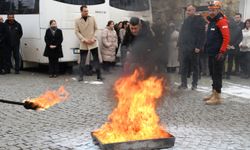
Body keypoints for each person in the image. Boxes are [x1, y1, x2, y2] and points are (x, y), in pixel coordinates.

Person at [203, 1, 230, 105]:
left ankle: (217, 96)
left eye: (213, 9)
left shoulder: (221, 21)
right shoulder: (211, 21)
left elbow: (226, 38)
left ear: (218, 9)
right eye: (210, 9)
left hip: (218, 53)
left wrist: (222, 51)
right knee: (213, 74)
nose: (211, 11)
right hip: (211, 52)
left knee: (217, 74)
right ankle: (213, 93)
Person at [177, 4, 206, 90]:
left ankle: (194, 84)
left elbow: (202, 35)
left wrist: (198, 46)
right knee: (183, 66)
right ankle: (183, 84)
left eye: (189, 10)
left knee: (195, 67)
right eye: (187, 10)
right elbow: (182, 33)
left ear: (194, 10)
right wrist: (180, 44)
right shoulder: (186, 20)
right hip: (185, 47)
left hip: (194, 48)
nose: (187, 12)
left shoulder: (200, 20)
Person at [75, 5, 103, 82]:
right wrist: (83, 39)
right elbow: (76, 32)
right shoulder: (77, 20)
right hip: (84, 43)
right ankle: (80, 76)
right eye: (85, 11)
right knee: (82, 61)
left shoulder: (92, 18)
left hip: (93, 42)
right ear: (81, 11)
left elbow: (96, 29)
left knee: (96, 60)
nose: (86, 12)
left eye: (87, 11)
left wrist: (94, 38)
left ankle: (99, 76)